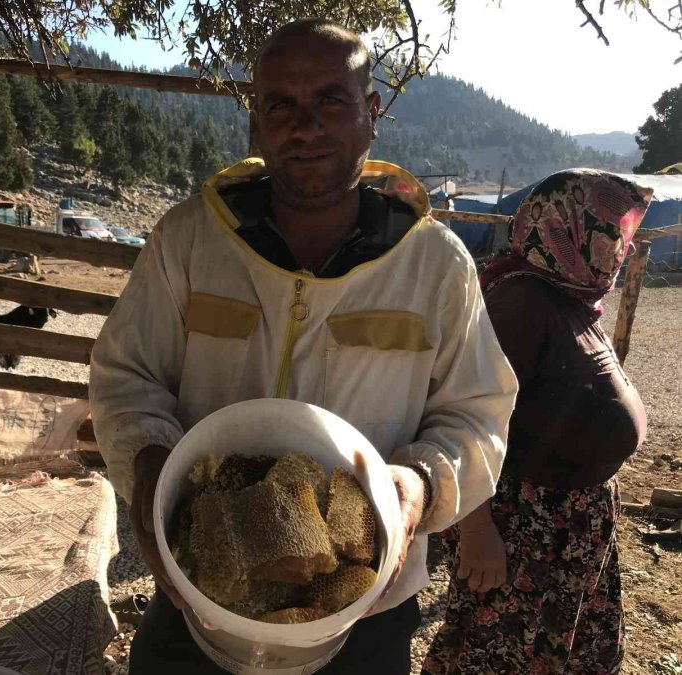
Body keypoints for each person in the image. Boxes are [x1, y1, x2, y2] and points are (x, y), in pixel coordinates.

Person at [90, 19, 517, 674]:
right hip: (203, 586)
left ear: (371, 113)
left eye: (329, 100)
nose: (306, 125)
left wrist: (419, 485)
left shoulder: (435, 263)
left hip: (362, 606)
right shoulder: (189, 240)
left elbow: (478, 416)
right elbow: (127, 378)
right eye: (281, 105)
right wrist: (150, 464)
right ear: (257, 123)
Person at [422, 170, 653, 675]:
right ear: (569, 230)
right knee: (497, 657)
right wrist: (475, 529)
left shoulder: (567, 293)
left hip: (566, 530)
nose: (626, 248)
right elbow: (465, 414)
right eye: (613, 232)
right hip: (524, 531)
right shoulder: (520, 303)